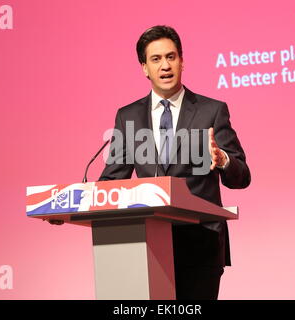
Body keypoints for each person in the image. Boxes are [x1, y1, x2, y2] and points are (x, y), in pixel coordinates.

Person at [99, 25, 251, 300]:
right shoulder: (128, 116)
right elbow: (112, 180)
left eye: (171, 57)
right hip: (147, 245)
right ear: (144, 68)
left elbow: (242, 177)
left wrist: (223, 159)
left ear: (182, 61)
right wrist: (73, 207)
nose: (165, 65)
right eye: (156, 59)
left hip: (201, 244)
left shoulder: (211, 110)